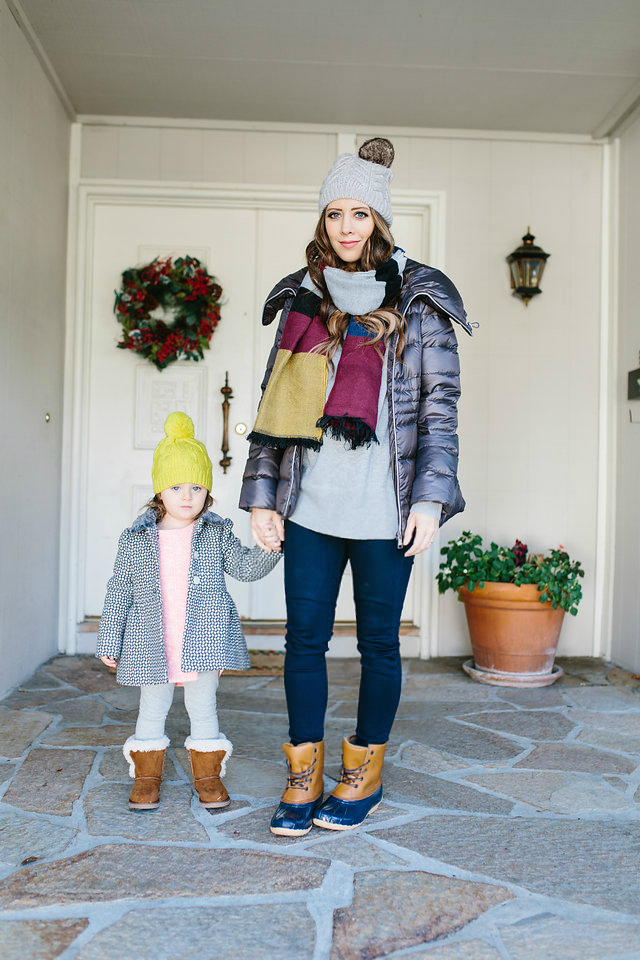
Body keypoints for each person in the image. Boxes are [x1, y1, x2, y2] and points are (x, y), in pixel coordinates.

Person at [240, 138, 472, 837]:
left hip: (385, 509)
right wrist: (260, 494)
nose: (346, 227)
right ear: (323, 222)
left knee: (378, 644)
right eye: (335, 213)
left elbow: (438, 408)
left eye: (360, 213)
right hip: (309, 507)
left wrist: (431, 500)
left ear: (379, 220)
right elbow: (272, 404)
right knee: (303, 642)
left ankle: (363, 772)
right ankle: (303, 774)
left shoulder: (421, 300)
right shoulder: (303, 300)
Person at [96, 411, 280, 811]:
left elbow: (246, 568)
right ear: (160, 490)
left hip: (202, 641)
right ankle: (146, 779)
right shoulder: (136, 540)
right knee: (152, 709)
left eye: (197, 487)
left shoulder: (215, 534)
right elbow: (119, 591)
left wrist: (271, 546)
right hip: (152, 643)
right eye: (176, 486)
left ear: (208, 493)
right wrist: (110, 638)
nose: (186, 496)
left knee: (203, 707)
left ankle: (208, 777)